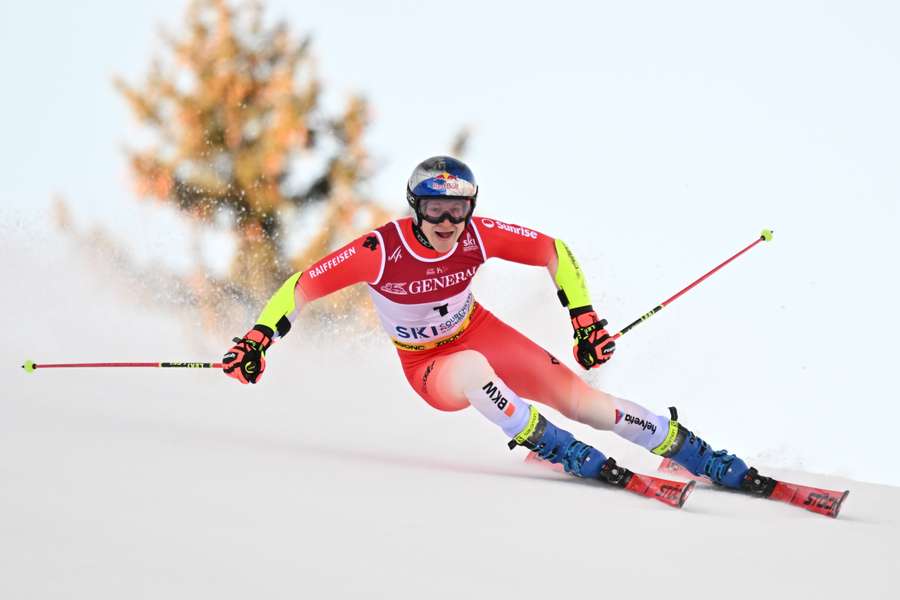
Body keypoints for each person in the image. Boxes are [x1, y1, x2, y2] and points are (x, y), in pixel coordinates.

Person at [222, 156, 757, 490]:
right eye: (436, 210)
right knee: (475, 368)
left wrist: (585, 320)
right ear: (416, 208)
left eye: (461, 210)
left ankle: (688, 451)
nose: (450, 224)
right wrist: (258, 337)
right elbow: (301, 286)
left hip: (480, 329)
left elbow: (553, 250)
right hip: (429, 365)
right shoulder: (379, 250)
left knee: (582, 399)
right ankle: (550, 443)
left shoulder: (478, 235)